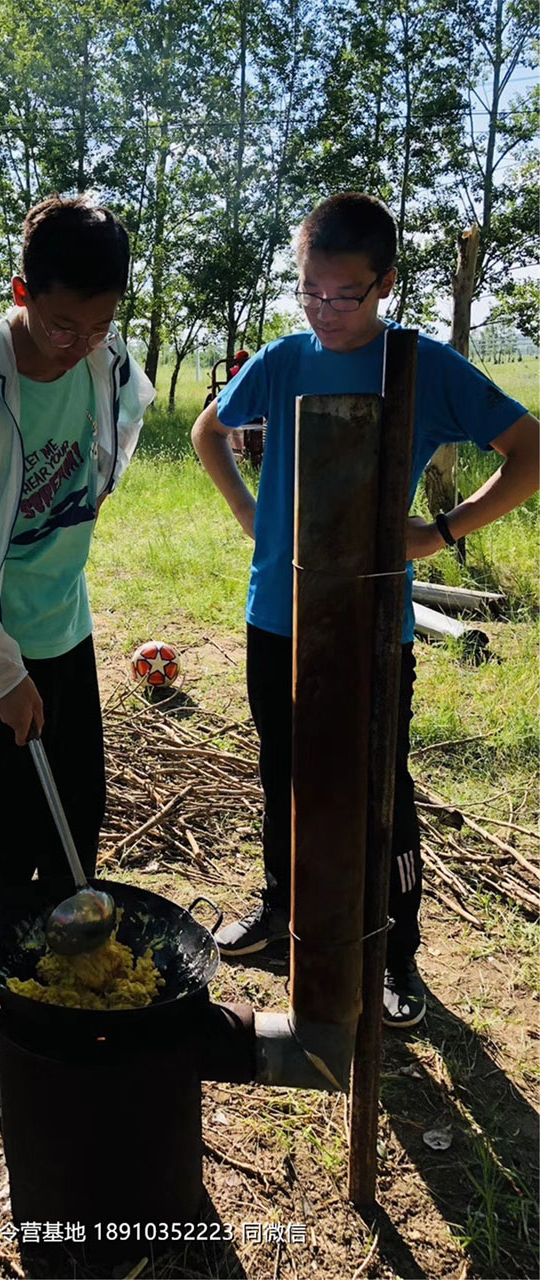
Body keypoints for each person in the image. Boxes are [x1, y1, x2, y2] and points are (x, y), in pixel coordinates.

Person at [191, 193, 538, 1028]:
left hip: (374, 619)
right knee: (285, 769)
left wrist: (441, 531)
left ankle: (396, 954)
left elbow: (529, 451)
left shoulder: (418, 365)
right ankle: (282, 909)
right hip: (276, 613)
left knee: (381, 785)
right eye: (308, 290)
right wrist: (249, 513)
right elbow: (210, 432)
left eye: (342, 294)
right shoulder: (279, 360)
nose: (323, 310)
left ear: (384, 283)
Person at [0, 196, 155, 1032]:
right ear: (20, 290)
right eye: (59, 325)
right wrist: (2, 673)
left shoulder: (101, 358)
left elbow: (114, 428)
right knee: (6, 832)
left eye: (98, 325)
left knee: (75, 809)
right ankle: (6, 981)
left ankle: (75, 959)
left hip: (68, 629)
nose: (78, 344)